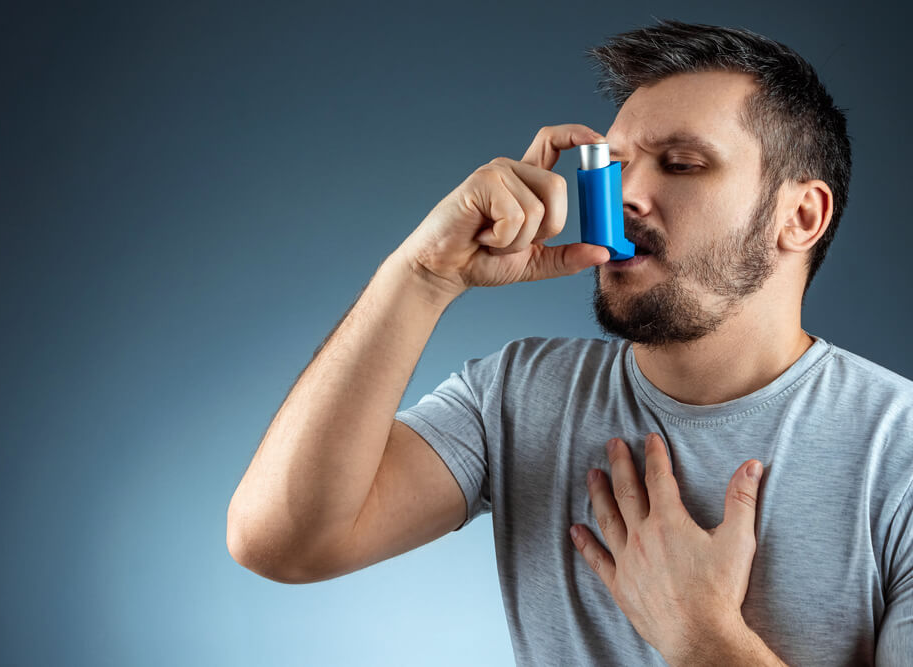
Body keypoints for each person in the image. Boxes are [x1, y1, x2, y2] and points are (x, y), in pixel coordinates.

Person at [226, 19, 913, 665]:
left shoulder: (901, 451)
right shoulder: (519, 394)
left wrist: (703, 637)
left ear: (801, 215)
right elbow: (279, 542)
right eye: (611, 167)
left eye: (679, 163)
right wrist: (424, 275)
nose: (624, 196)